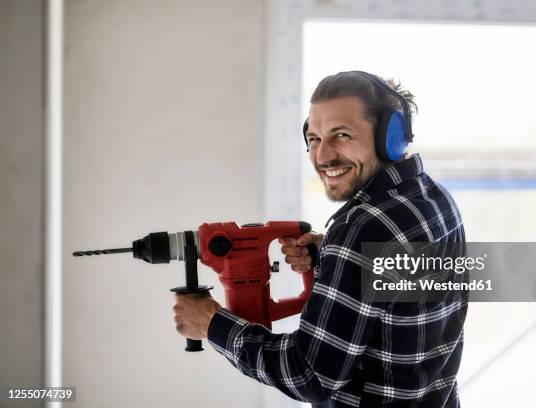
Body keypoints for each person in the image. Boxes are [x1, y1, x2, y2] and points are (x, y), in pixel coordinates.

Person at [173, 71, 467, 407]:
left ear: (392, 137)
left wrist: (211, 323)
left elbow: (309, 376)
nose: (322, 157)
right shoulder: (435, 199)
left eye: (341, 135)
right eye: (313, 138)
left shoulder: (361, 230)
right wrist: (333, 257)